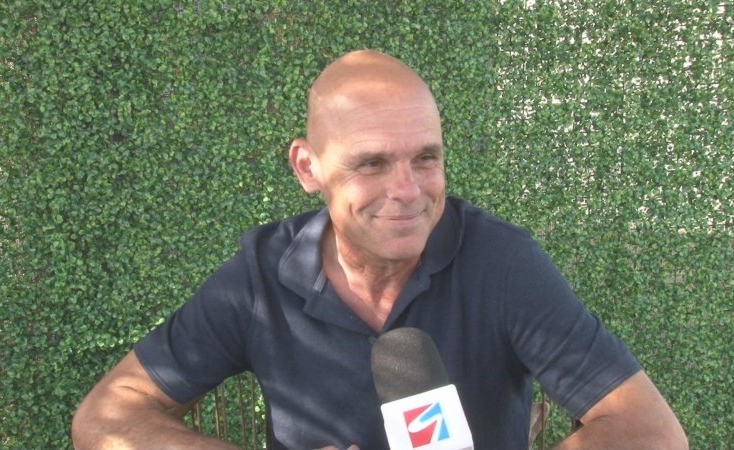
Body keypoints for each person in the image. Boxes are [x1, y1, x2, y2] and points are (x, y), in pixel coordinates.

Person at [71, 50, 688, 450]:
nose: (408, 191)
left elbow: (651, 431)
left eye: (426, 157)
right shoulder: (260, 277)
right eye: (371, 163)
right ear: (308, 168)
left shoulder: (502, 263)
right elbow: (105, 417)